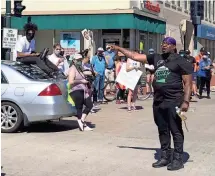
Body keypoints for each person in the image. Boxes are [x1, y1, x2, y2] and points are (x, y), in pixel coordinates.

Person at [109, 37, 193, 171]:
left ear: (173, 46)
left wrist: (186, 101)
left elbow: (188, 83)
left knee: (175, 129)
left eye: (167, 44)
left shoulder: (181, 61)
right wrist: (119, 48)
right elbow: (135, 56)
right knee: (162, 129)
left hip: (174, 100)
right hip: (159, 101)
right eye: (162, 43)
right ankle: (165, 156)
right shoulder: (156, 57)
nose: (163, 45)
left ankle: (178, 158)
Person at [68, 53, 94, 131]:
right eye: (78, 60)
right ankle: (81, 124)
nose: (79, 61)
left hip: (84, 90)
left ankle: (81, 120)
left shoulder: (79, 68)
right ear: (74, 60)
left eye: (80, 59)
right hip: (76, 90)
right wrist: (81, 81)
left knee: (89, 105)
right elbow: (71, 81)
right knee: (79, 107)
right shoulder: (72, 68)